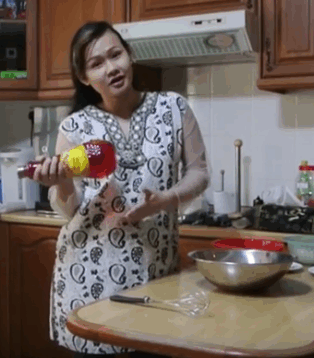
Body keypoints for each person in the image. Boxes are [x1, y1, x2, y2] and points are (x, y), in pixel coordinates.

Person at [32, 21, 210, 358]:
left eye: (116, 55)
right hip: (89, 278)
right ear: (84, 77)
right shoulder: (74, 126)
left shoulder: (173, 108)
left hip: (156, 277)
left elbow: (199, 172)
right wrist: (61, 181)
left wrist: (167, 199)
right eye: (97, 63)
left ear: (130, 55)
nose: (111, 68)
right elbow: (69, 210)